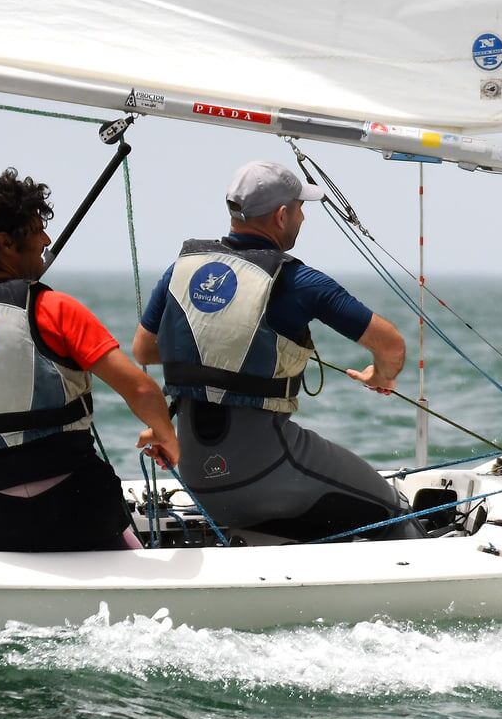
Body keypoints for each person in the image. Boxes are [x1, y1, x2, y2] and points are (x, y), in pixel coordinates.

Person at [131, 159, 417, 542]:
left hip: (201, 480)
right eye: (301, 208)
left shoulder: (180, 270)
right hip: (267, 472)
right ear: (282, 216)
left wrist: (219, 348)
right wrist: (380, 375)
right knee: (393, 511)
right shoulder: (298, 281)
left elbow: (144, 350)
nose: (302, 217)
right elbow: (391, 345)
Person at [0, 169, 179, 552]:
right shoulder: (52, 308)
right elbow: (140, 387)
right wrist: (168, 438)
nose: (46, 239)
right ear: (5, 242)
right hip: (79, 514)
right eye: (36, 229)